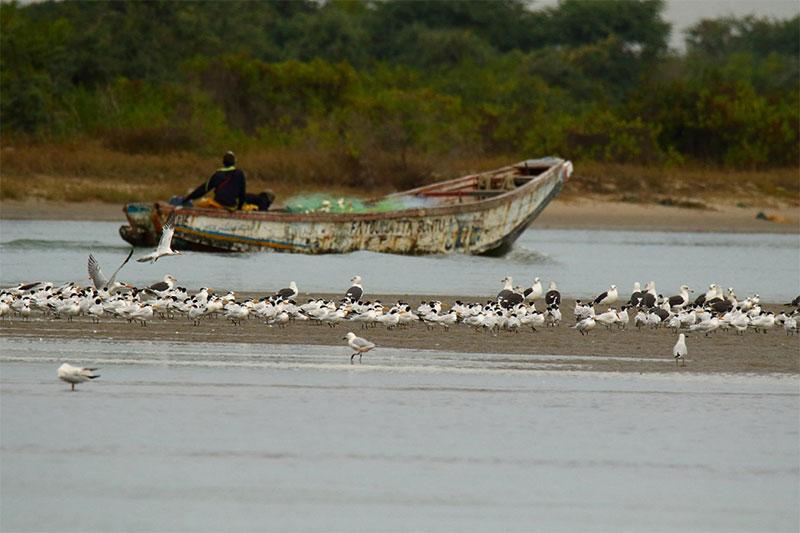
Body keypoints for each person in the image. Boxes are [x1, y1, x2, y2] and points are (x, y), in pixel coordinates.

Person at [180, 151, 275, 211]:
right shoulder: (239, 173)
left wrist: (187, 199)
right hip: (231, 206)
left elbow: (203, 190)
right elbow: (242, 194)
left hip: (218, 202)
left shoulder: (218, 174)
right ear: (234, 162)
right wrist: (239, 209)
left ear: (223, 162)